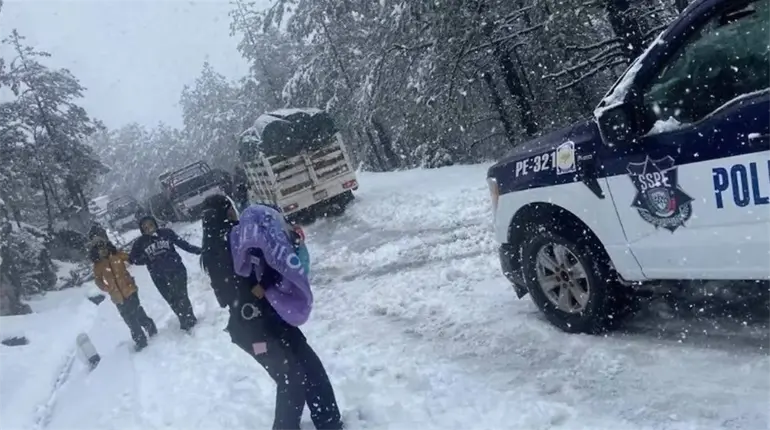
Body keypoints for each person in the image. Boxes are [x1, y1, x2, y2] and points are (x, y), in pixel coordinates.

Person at [199, 195, 342, 430]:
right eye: (231, 209)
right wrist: (290, 245)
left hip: (262, 322)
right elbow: (273, 265)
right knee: (294, 379)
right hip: (257, 328)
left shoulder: (216, 245)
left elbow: (245, 283)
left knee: (305, 372)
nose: (236, 212)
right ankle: (326, 423)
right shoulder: (237, 237)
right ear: (226, 212)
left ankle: (330, 424)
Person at [129, 216, 201, 332]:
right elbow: (132, 259)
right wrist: (145, 258)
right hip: (158, 276)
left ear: (155, 224)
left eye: (150, 225)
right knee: (171, 300)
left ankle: (190, 320)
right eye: (145, 227)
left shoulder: (166, 233)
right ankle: (183, 319)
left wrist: (199, 250)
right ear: (142, 230)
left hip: (177, 269)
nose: (148, 229)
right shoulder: (140, 243)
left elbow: (183, 244)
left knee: (181, 296)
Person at [91, 237, 157, 351]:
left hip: (130, 289)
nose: (103, 251)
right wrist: (106, 288)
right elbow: (97, 280)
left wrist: (143, 257)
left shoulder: (117, 255)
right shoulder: (98, 265)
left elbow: (131, 258)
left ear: (108, 246)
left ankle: (150, 327)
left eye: (104, 248)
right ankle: (140, 340)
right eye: (99, 249)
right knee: (129, 319)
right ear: (96, 252)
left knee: (136, 312)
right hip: (117, 296)